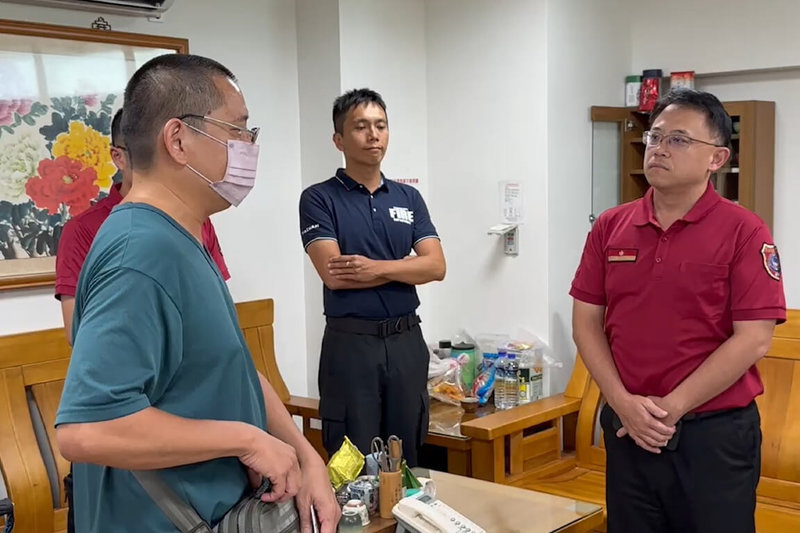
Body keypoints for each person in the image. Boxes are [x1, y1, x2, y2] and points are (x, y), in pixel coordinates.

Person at [55, 54, 339, 533]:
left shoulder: (183, 236)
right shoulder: (140, 251)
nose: (249, 146)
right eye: (238, 129)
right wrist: (247, 441)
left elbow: (232, 367)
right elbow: (89, 430)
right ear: (179, 140)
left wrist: (305, 456)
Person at [570, 89, 785, 533]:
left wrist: (668, 410)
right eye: (655, 137)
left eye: (679, 140)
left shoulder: (744, 231)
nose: (659, 149)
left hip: (712, 435)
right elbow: (586, 322)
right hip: (629, 429)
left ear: (717, 157)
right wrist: (621, 403)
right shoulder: (611, 225)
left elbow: (754, 337)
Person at [299, 88, 446, 466]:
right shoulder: (319, 198)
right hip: (352, 346)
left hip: (406, 341)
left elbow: (436, 266)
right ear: (339, 139)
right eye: (361, 126)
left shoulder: (407, 198)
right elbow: (336, 275)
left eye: (380, 126)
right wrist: (404, 267)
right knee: (354, 459)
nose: (373, 135)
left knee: (406, 453)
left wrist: (374, 268)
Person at [55, 108, 230, 346]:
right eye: (145, 154)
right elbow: (79, 334)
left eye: (166, 152)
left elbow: (220, 312)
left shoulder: (195, 219)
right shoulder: (83, 230)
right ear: (118, 157)